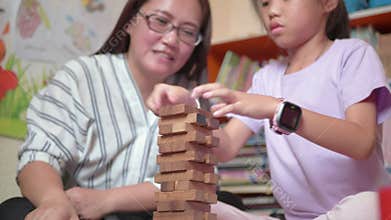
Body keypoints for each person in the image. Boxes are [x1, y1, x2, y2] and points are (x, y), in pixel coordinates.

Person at [146, 0, 391, 219]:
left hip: (358, 212)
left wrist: (278, 109)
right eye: (264, 3)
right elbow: (227, 145)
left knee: (367, 205)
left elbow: (361, 142)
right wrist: (188, 111)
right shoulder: (265, 78)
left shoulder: (353, 54)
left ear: (328, 3)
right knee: (201, 207)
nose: (272, 11)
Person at [0, 0, 212, 219]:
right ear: (130, 22)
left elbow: (194, 184)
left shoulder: (195, 98)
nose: (170, 40)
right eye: (160, 21)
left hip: (154, 215)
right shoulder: (80, 77)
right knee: (13, 210)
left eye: (188, 31)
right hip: (80, 213)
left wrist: (107, 200)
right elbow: (40, 154)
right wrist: (54, 202)